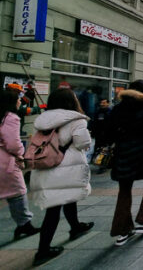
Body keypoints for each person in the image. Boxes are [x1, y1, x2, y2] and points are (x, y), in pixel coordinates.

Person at [31, 88, 94, 266]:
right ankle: (43, 250)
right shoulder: (76, 119)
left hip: (46, 165)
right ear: (71, 101)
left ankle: (75, 226)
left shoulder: (44, 118)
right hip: (65, 166)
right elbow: (83, 142)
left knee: (68, 198)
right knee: (54, 210)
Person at [107, 80, 143, 247]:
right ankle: (142, 221)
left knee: (124, 190)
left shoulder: (117, 108)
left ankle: (123, 230)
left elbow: (108, 132)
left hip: (123, 155)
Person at [0, 88, 40, 241]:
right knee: (18, 192)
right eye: (18, 99)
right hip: (6, 162)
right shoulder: (10, 118)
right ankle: (24, 224)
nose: (19, 101)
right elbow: (13, 143)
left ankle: (24, 224)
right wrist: (21, 152)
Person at [90, 98, 111, 167]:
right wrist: (93, 132)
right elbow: (94, 123)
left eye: (104, 103)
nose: (102, 104)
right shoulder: (98, 112)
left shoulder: (110, 112)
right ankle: (100, 162)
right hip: (99, 134)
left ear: (108, 103)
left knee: (105, 150)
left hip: (107, 135)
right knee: (98, 149)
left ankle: (104, 164)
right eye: (101, 103)